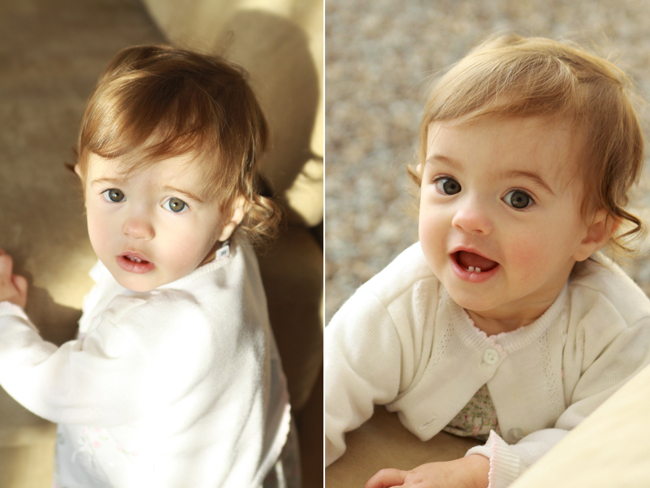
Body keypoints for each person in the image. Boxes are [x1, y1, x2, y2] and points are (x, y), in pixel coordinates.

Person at [325, 34, 650, 488]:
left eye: (518, 198)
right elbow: (322, 399)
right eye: (449, 184)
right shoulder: (401, 304)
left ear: (590, 232)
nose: (469, 218)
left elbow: (603, 443)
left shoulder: (616, 327)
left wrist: (481, 471)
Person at [0, 45, 300, 488]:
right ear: (85, 180)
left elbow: (52, 387)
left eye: (174, 203)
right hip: (250, 462)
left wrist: (6, 315)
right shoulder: (229, 248)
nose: (136, 227)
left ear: (230, 213)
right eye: (114, 195)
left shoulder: (154, 332)